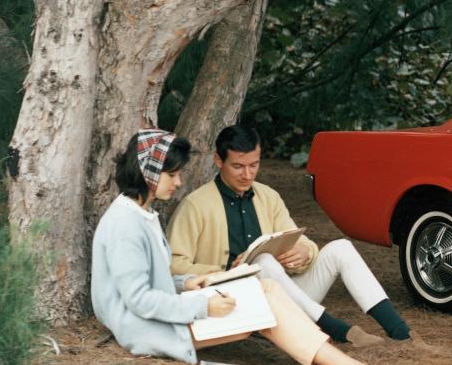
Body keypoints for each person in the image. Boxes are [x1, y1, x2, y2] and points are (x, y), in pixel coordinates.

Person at [91, 129, 392, 365]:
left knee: (268, 289)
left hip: (173, 311)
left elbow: (158, 281)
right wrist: (202, 304)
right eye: (172, 174)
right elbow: (139, 300)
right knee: (264, 298)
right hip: (149, 328)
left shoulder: (142, 214)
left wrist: (188, 282)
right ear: (148, 174)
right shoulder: (125, 225)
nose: (179, 182)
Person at [168, 124, 410, 346]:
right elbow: (173, 265)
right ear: (218, 161)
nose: (248, 175)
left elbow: (298, 238)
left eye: (254, 165)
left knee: (340, 248)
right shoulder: (195, 205)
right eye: (238, 166)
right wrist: (225, 269)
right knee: (263, 262)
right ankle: (335, 329)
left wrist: (303, 252)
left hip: (285, 298)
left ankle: (400, 331)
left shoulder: (268, 196)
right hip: (234, 302)